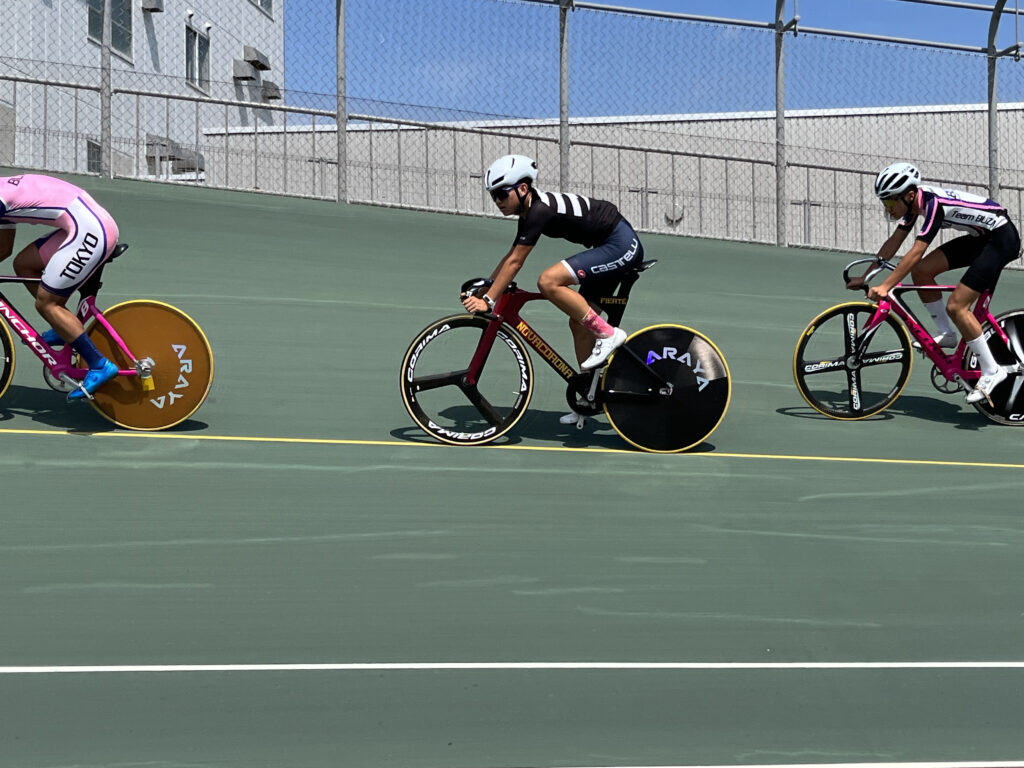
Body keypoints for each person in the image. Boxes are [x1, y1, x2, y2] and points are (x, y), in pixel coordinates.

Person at [463, 154, 643, 423]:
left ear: (523, 189)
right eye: (494, 196)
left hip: (621, 244)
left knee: (548, 280)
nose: (498, 202)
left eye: (502, 194)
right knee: (579, 324)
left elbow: (516, 262)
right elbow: (511, 256)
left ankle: (607, 334)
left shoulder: (539, 210)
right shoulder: (529, 212)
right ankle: (589, 396)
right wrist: (488, 287)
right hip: (607, 245)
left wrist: (489, 300)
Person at [869, 161, 1021, 404]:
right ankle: (946, 333)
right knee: (922, 272)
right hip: (981, 238)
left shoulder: (933, 205)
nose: (887, 208)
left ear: (909, 195)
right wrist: (868, 274)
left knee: (957, 306)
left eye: (889, 201)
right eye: (884, 202)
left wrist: (886, 285)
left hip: (1001, 239)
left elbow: (916, 251)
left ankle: (993, 370)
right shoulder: (914, 204)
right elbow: (895, 241)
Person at [0, 173, 120, 400]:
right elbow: (3, 249)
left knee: (47, 303)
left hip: (91, 229)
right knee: (24, 265)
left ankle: (99, 364)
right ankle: (63, 328)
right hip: (84, 224)